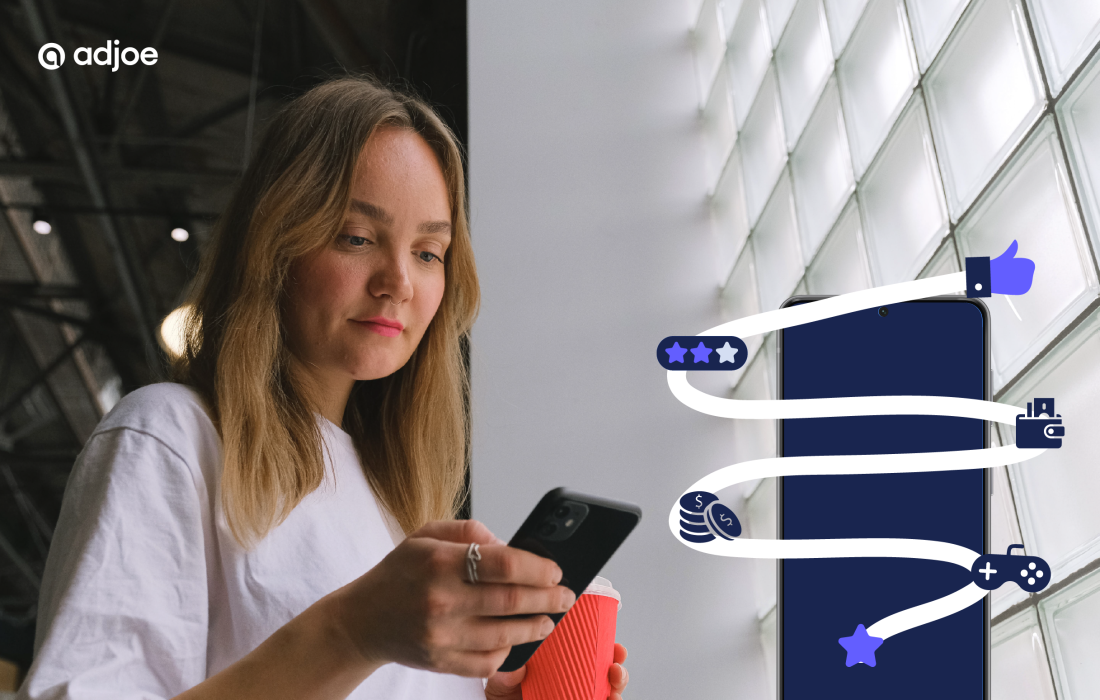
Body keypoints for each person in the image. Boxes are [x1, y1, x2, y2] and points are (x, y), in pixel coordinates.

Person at [17, 76, 629, 700]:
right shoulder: (170, 437)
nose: (399, 282)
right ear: (275, 240)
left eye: (428, 251)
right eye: (358, 237)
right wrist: (351, 632)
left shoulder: (398, 512)